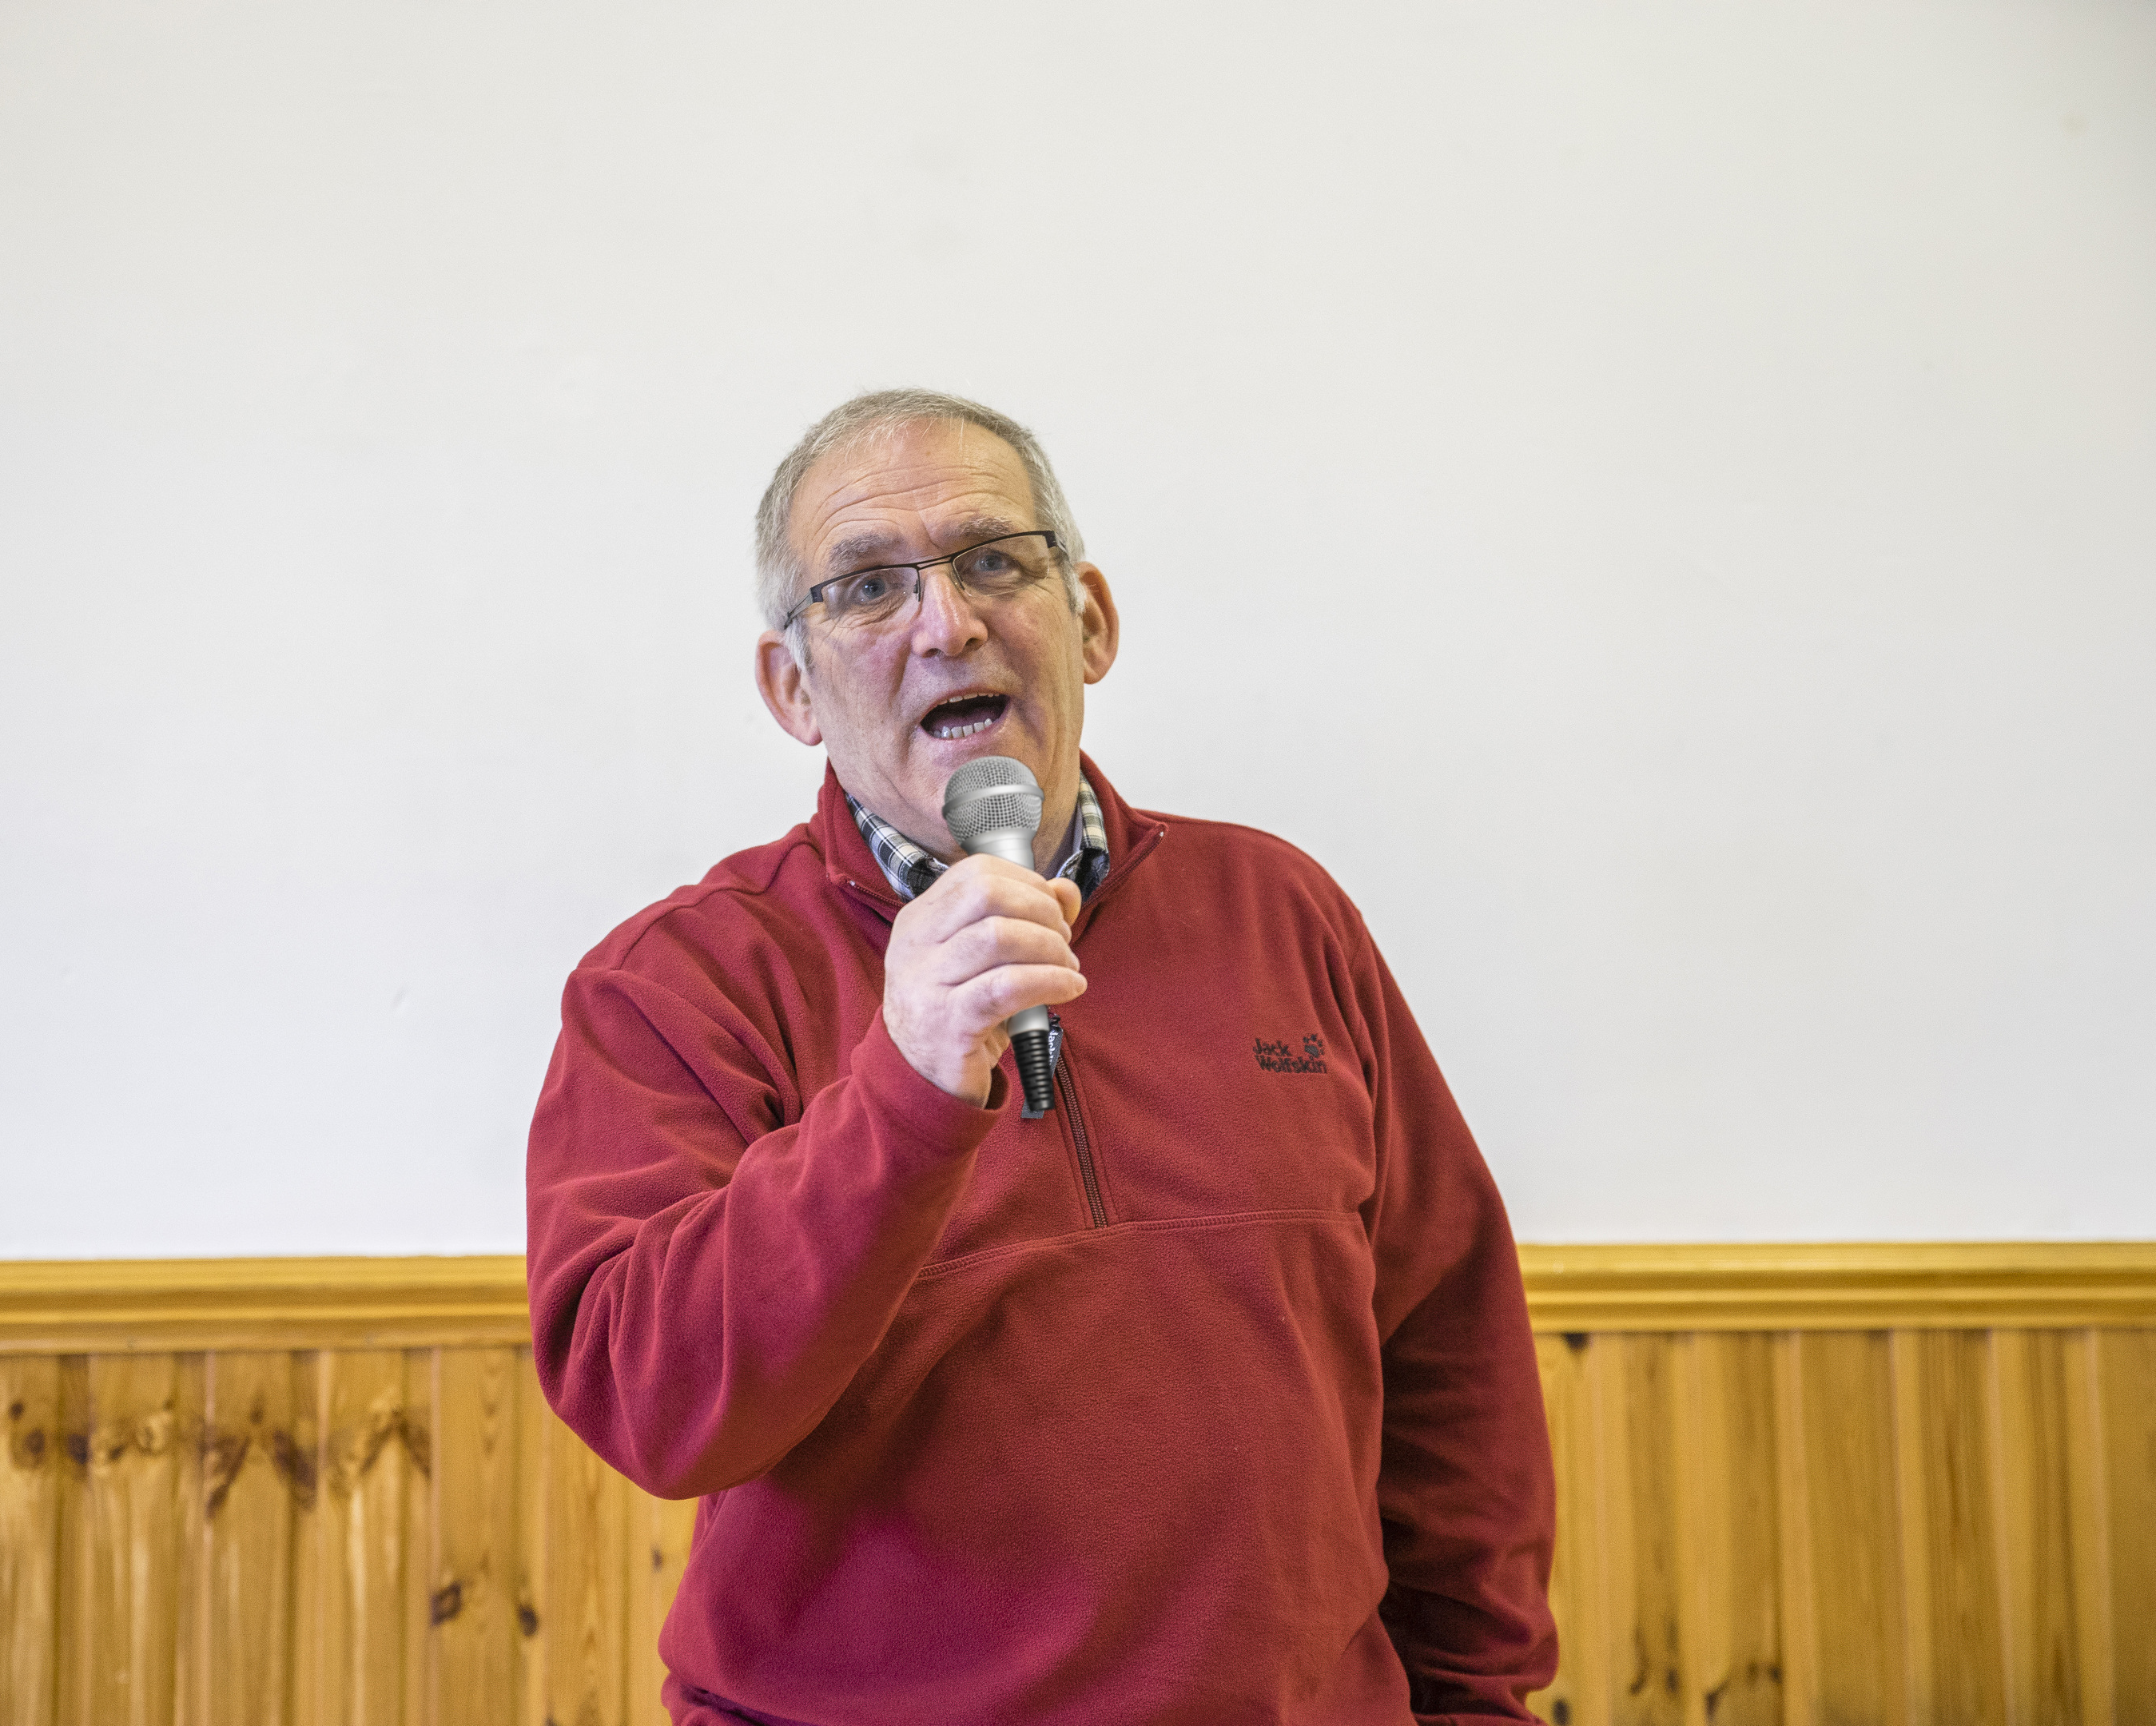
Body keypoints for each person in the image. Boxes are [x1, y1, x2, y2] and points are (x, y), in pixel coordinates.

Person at [525, 389, 1556, 1725]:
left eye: (994, 560)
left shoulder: (1281, 911)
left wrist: (1475, 1703)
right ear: (793, 688)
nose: (946, 623)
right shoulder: (677, 984)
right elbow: (649, 1403)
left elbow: (1446, 1351)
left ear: (1093, 621)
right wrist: (902, 1084)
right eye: (867, 588)